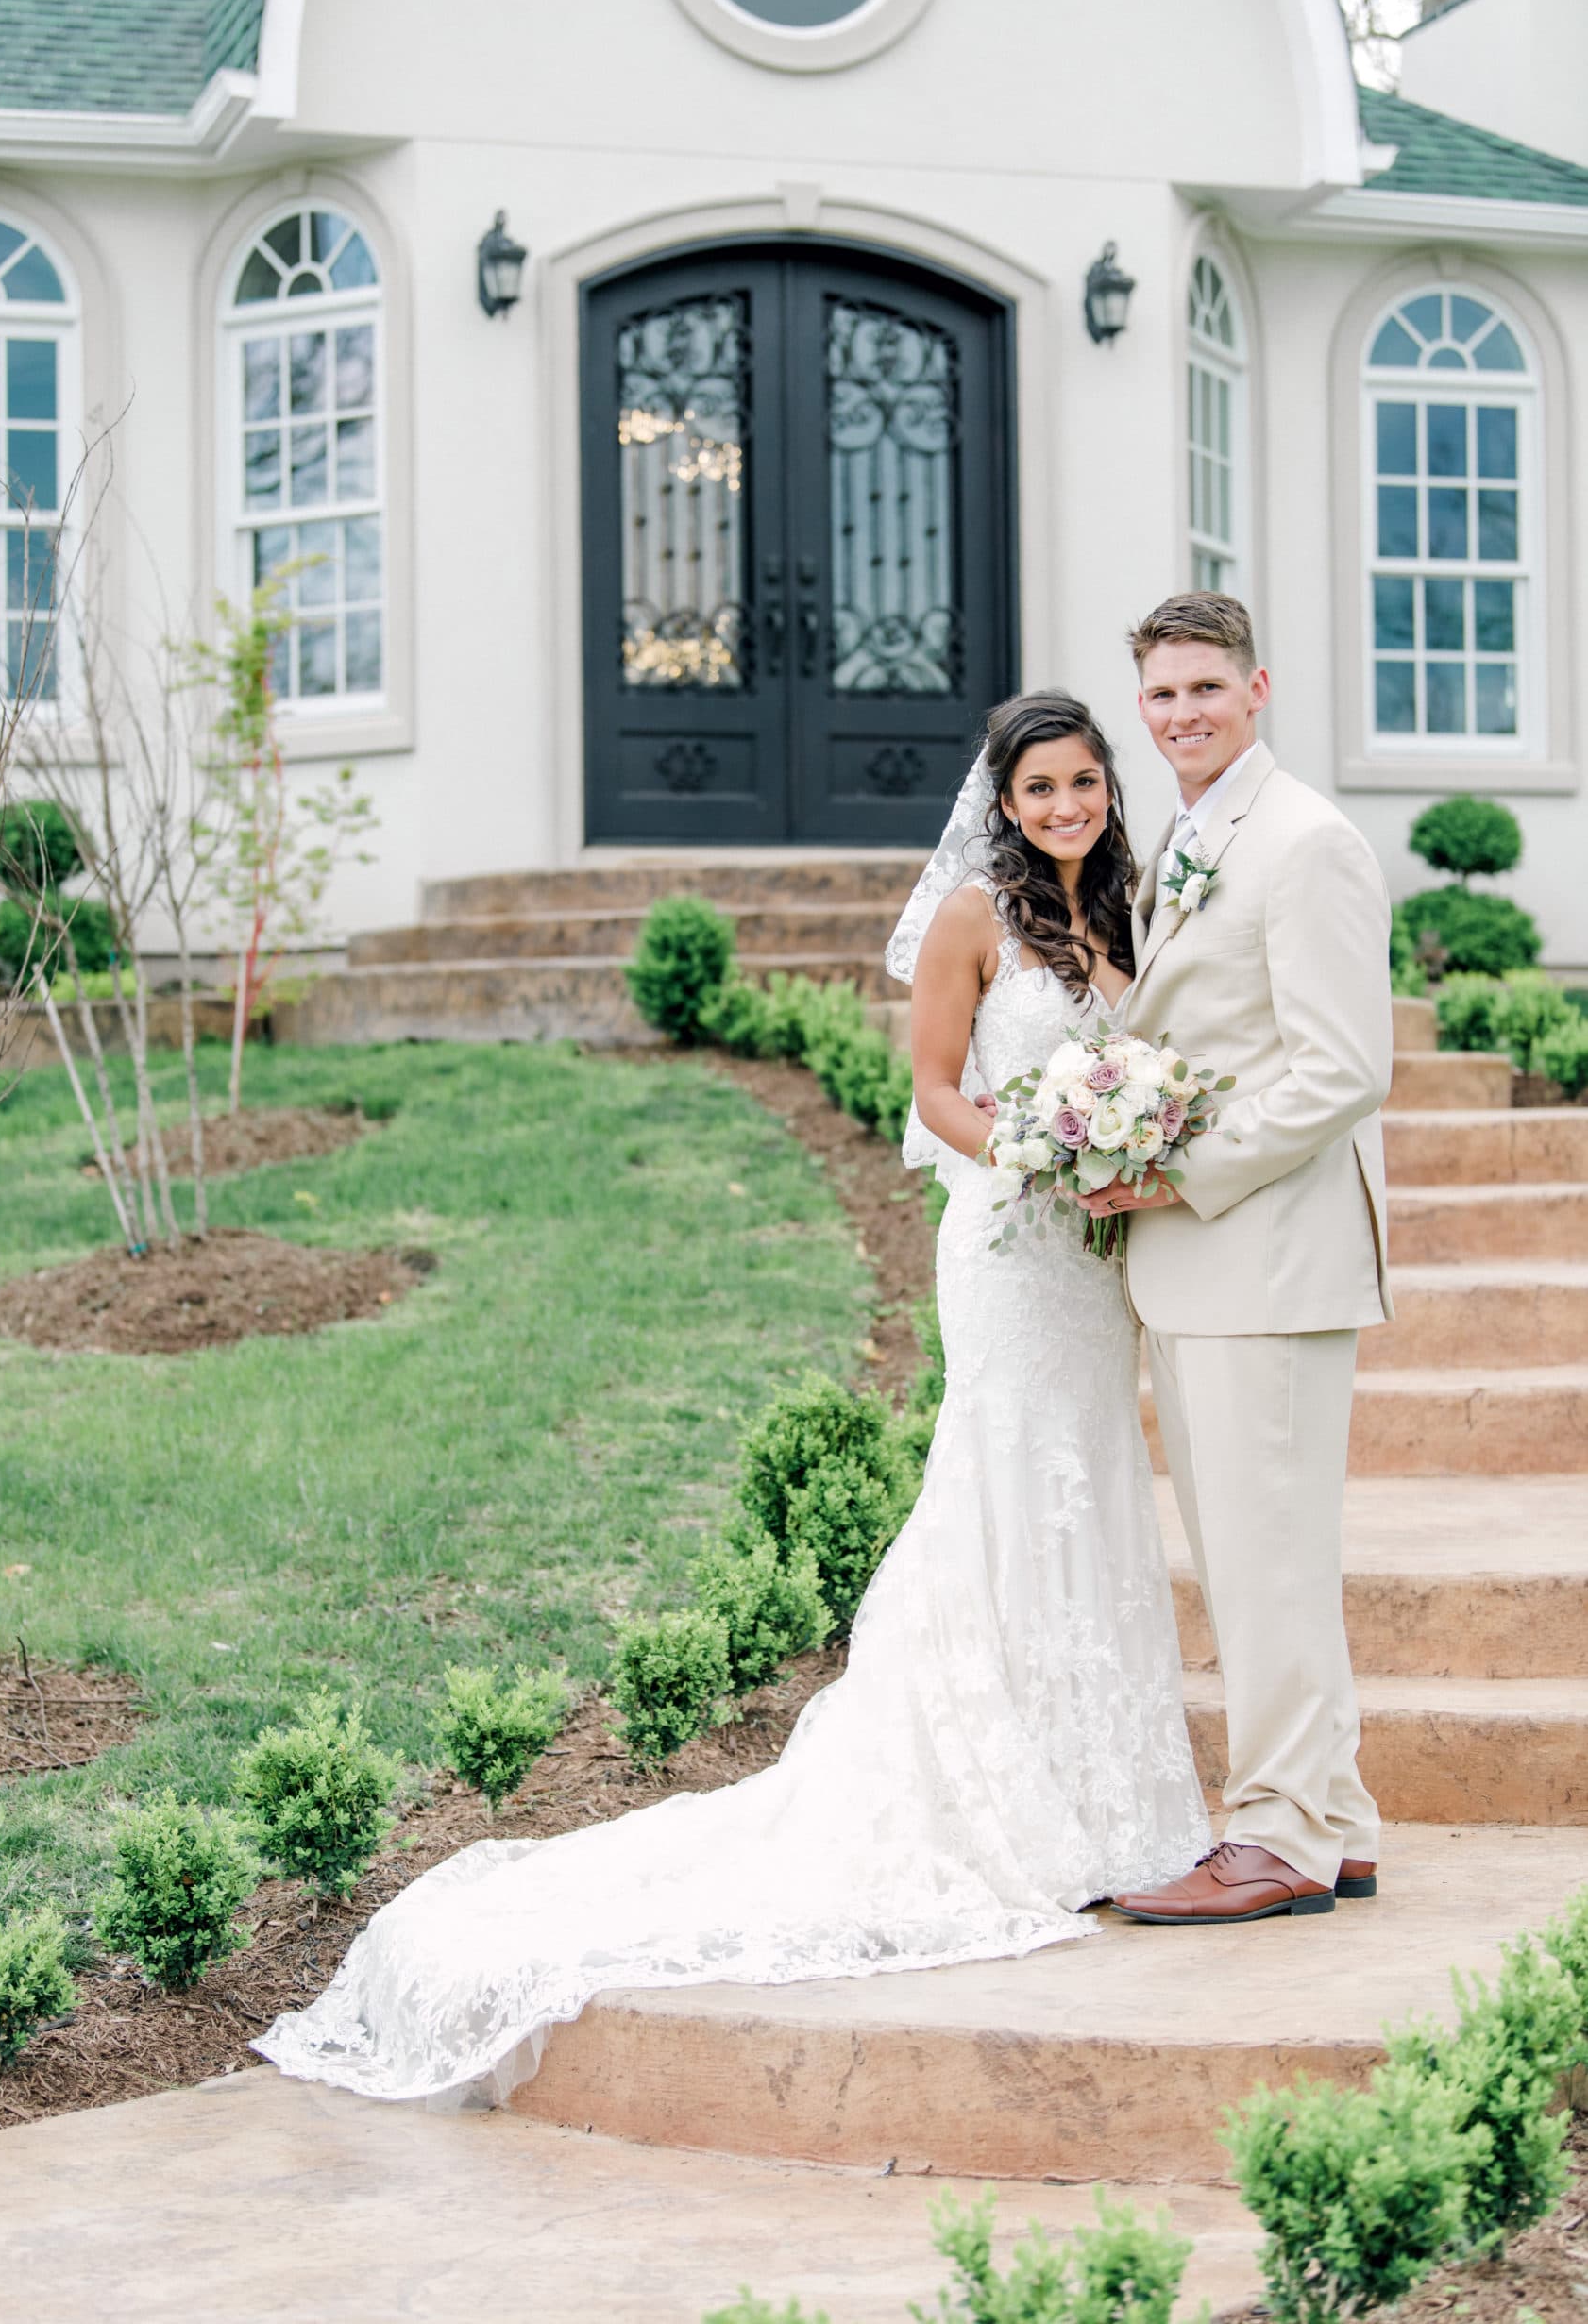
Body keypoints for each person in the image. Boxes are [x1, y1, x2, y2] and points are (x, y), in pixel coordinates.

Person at [253, 689, 1208, 2109]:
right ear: (1001, 804)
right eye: (1038, 790)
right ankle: (997, 1789)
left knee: (1084, 1482)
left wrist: (1125, 1149)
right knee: (1005, 1479)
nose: (1063, 807)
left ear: (1104, 793)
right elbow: (936, 1093)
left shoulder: (1125, 914)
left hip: (1094, 1266)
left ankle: (1103, 1786)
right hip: (1012, 1246)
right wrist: (1046, 1151)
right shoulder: (968, 920)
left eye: (1082, 784)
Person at [1083, 592, 1392, 1926]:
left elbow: (1340, 1070)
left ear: (1255, 690)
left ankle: (1274, 1838)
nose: (1181, 714)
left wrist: (1176, 1171)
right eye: (1159, 696)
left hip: (1263, 1255)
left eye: (1204, 689)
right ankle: (1338, 1817)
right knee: (1253, 1556)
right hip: (1209, 1269)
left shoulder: (1305, 842)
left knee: (1264, 1561)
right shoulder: (1189, 836)